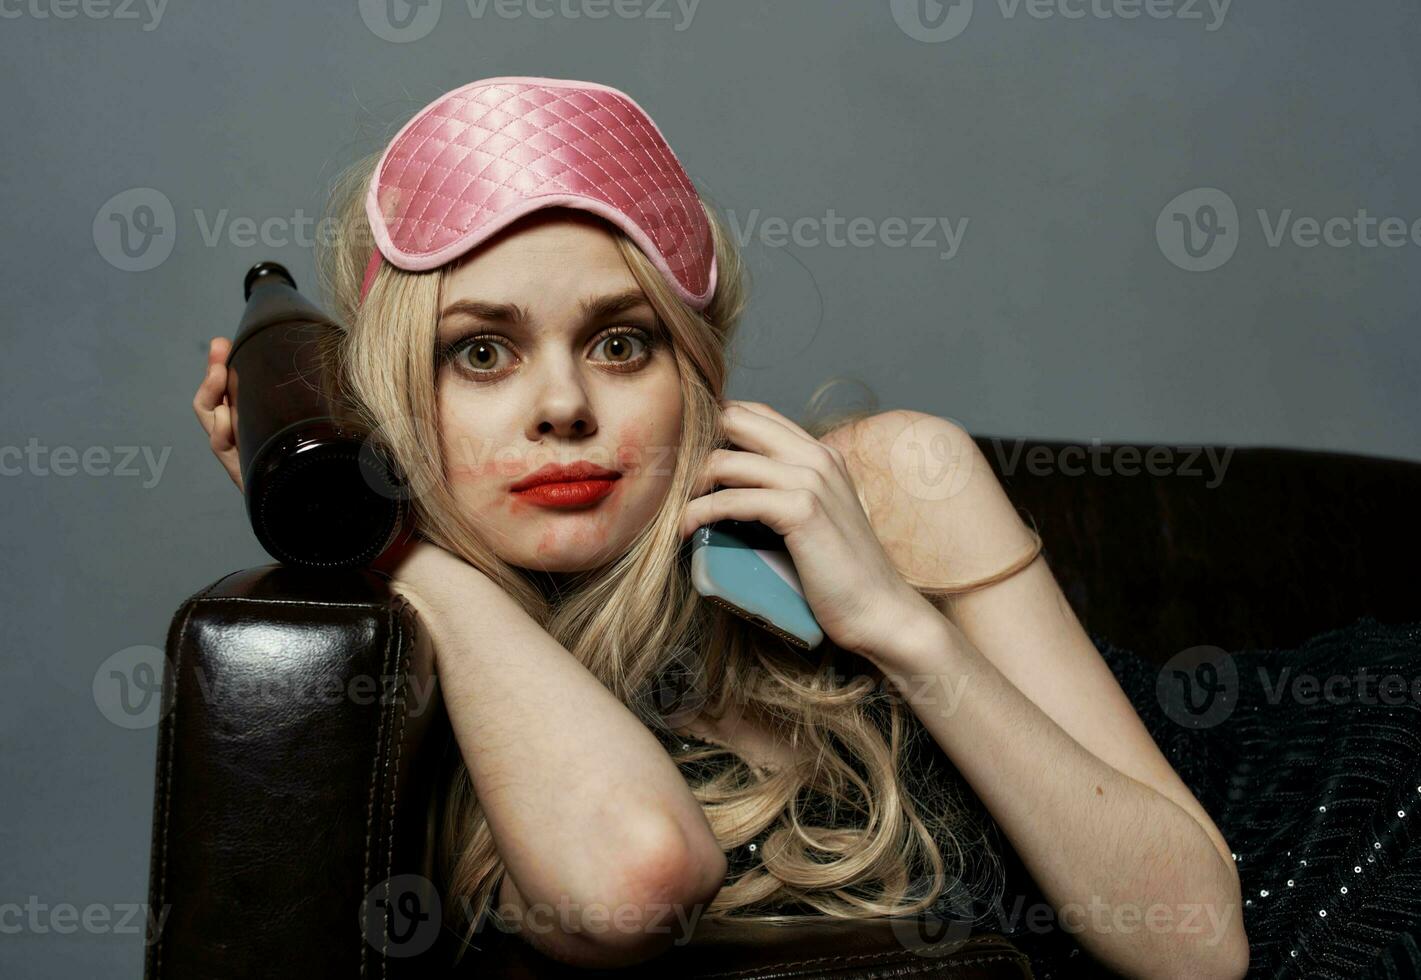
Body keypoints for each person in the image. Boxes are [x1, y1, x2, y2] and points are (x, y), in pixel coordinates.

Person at [190, 76, 1421, 980]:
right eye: (481, 351)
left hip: (1359, 809)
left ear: (695, 370)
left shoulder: (892, 477)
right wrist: (393, 543)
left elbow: (1198, 942)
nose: (561, 405)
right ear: (398, 399)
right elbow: (630, 873)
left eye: (621, 343)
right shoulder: (426, 661)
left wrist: (895, 623)